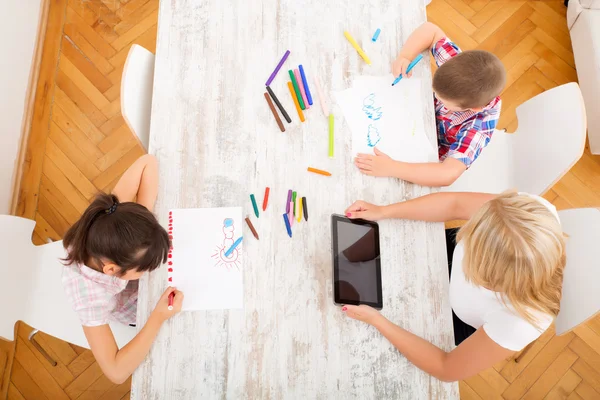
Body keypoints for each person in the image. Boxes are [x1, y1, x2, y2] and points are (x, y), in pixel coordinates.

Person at [342, 191, 565, 382]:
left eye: (472, 251)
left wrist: (376, 320)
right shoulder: (524, 215)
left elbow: (446, 368)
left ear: (489, 281)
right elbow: (455, 204)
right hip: (450, 262)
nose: (464, 240)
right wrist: (384, 211)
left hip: (457, 317)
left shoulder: (520, 323)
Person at [61, 155, 183, 384]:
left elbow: (148, 162)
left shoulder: (109, 222)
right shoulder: (90, 299)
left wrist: (141, 229)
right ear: (112, 269)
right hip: (133, 307)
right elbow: (116, 373)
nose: (147, 271)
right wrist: (158, 317)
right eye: (143, 268)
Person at [354, 22, 506, 187]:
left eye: (443, 101)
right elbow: (430, 30)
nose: (438, 97)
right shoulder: (460, 69)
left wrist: (392, 168)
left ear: (473, 108)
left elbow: (447, 175)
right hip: (414, 116)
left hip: (427, 154)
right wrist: (405, 56)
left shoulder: (480, 124)